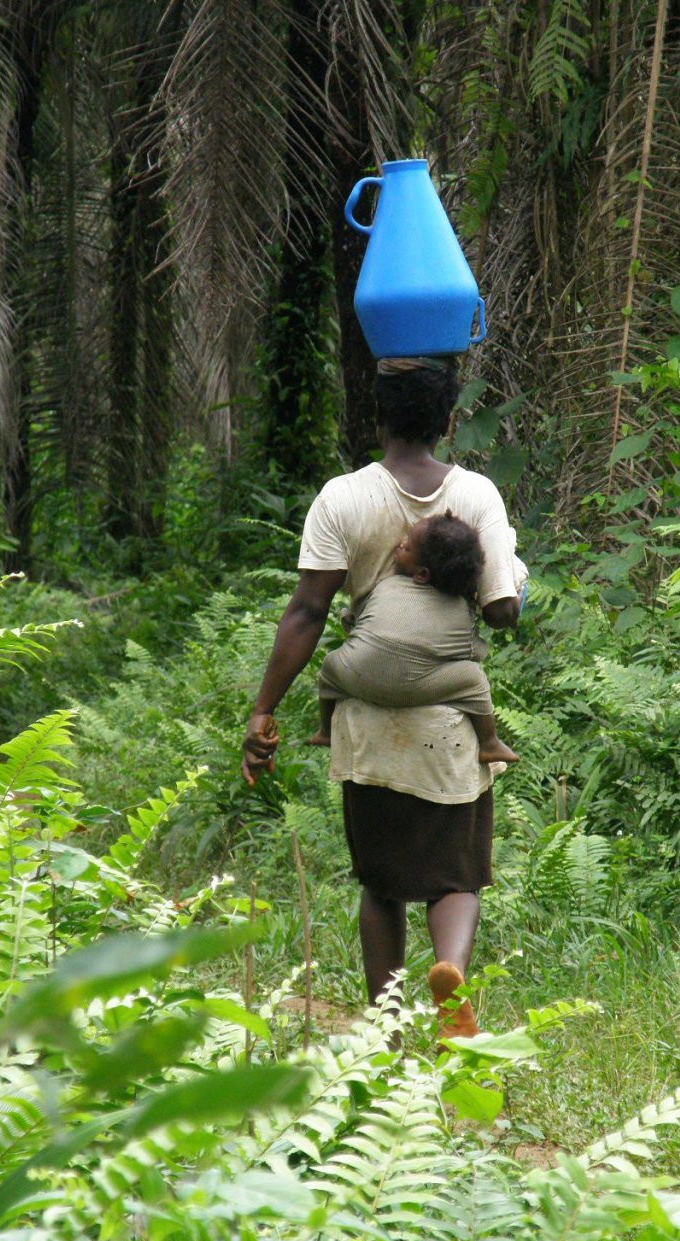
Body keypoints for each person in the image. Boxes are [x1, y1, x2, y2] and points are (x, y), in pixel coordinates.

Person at [242, 355, 524, 1033]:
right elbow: (501, 613)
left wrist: (265, 709)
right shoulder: (478, 497)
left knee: (381, 882)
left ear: (377, 418)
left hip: (367, 726)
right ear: (449, 421)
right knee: (457, 876)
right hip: (449, 725)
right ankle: (450, 971)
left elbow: (308, 612)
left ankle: (384, 1028)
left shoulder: (342, 498)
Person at [307, 510, 519, 765]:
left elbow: (362, 620)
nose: (399, 545)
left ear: (421, 574)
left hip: (356, 678)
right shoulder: (459, 611)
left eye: (406, 547)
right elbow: (467, 652)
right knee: (474, 678)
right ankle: (490, 743)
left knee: (330, 664)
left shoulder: (385, 586)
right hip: (414, 689)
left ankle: (325, 731)